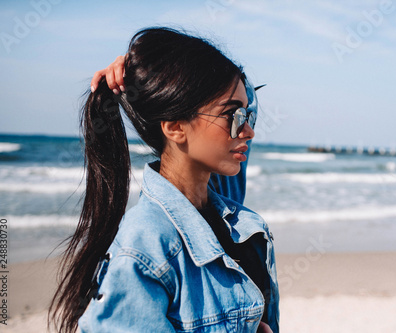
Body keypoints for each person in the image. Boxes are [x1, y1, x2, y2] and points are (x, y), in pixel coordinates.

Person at [49, 27, 279, 333]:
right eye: (234, 117)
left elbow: (241, 90)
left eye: (249, 118)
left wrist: (141, 74)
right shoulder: (144, 250)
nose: (248, 132)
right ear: (175, 128)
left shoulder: (223, 206)